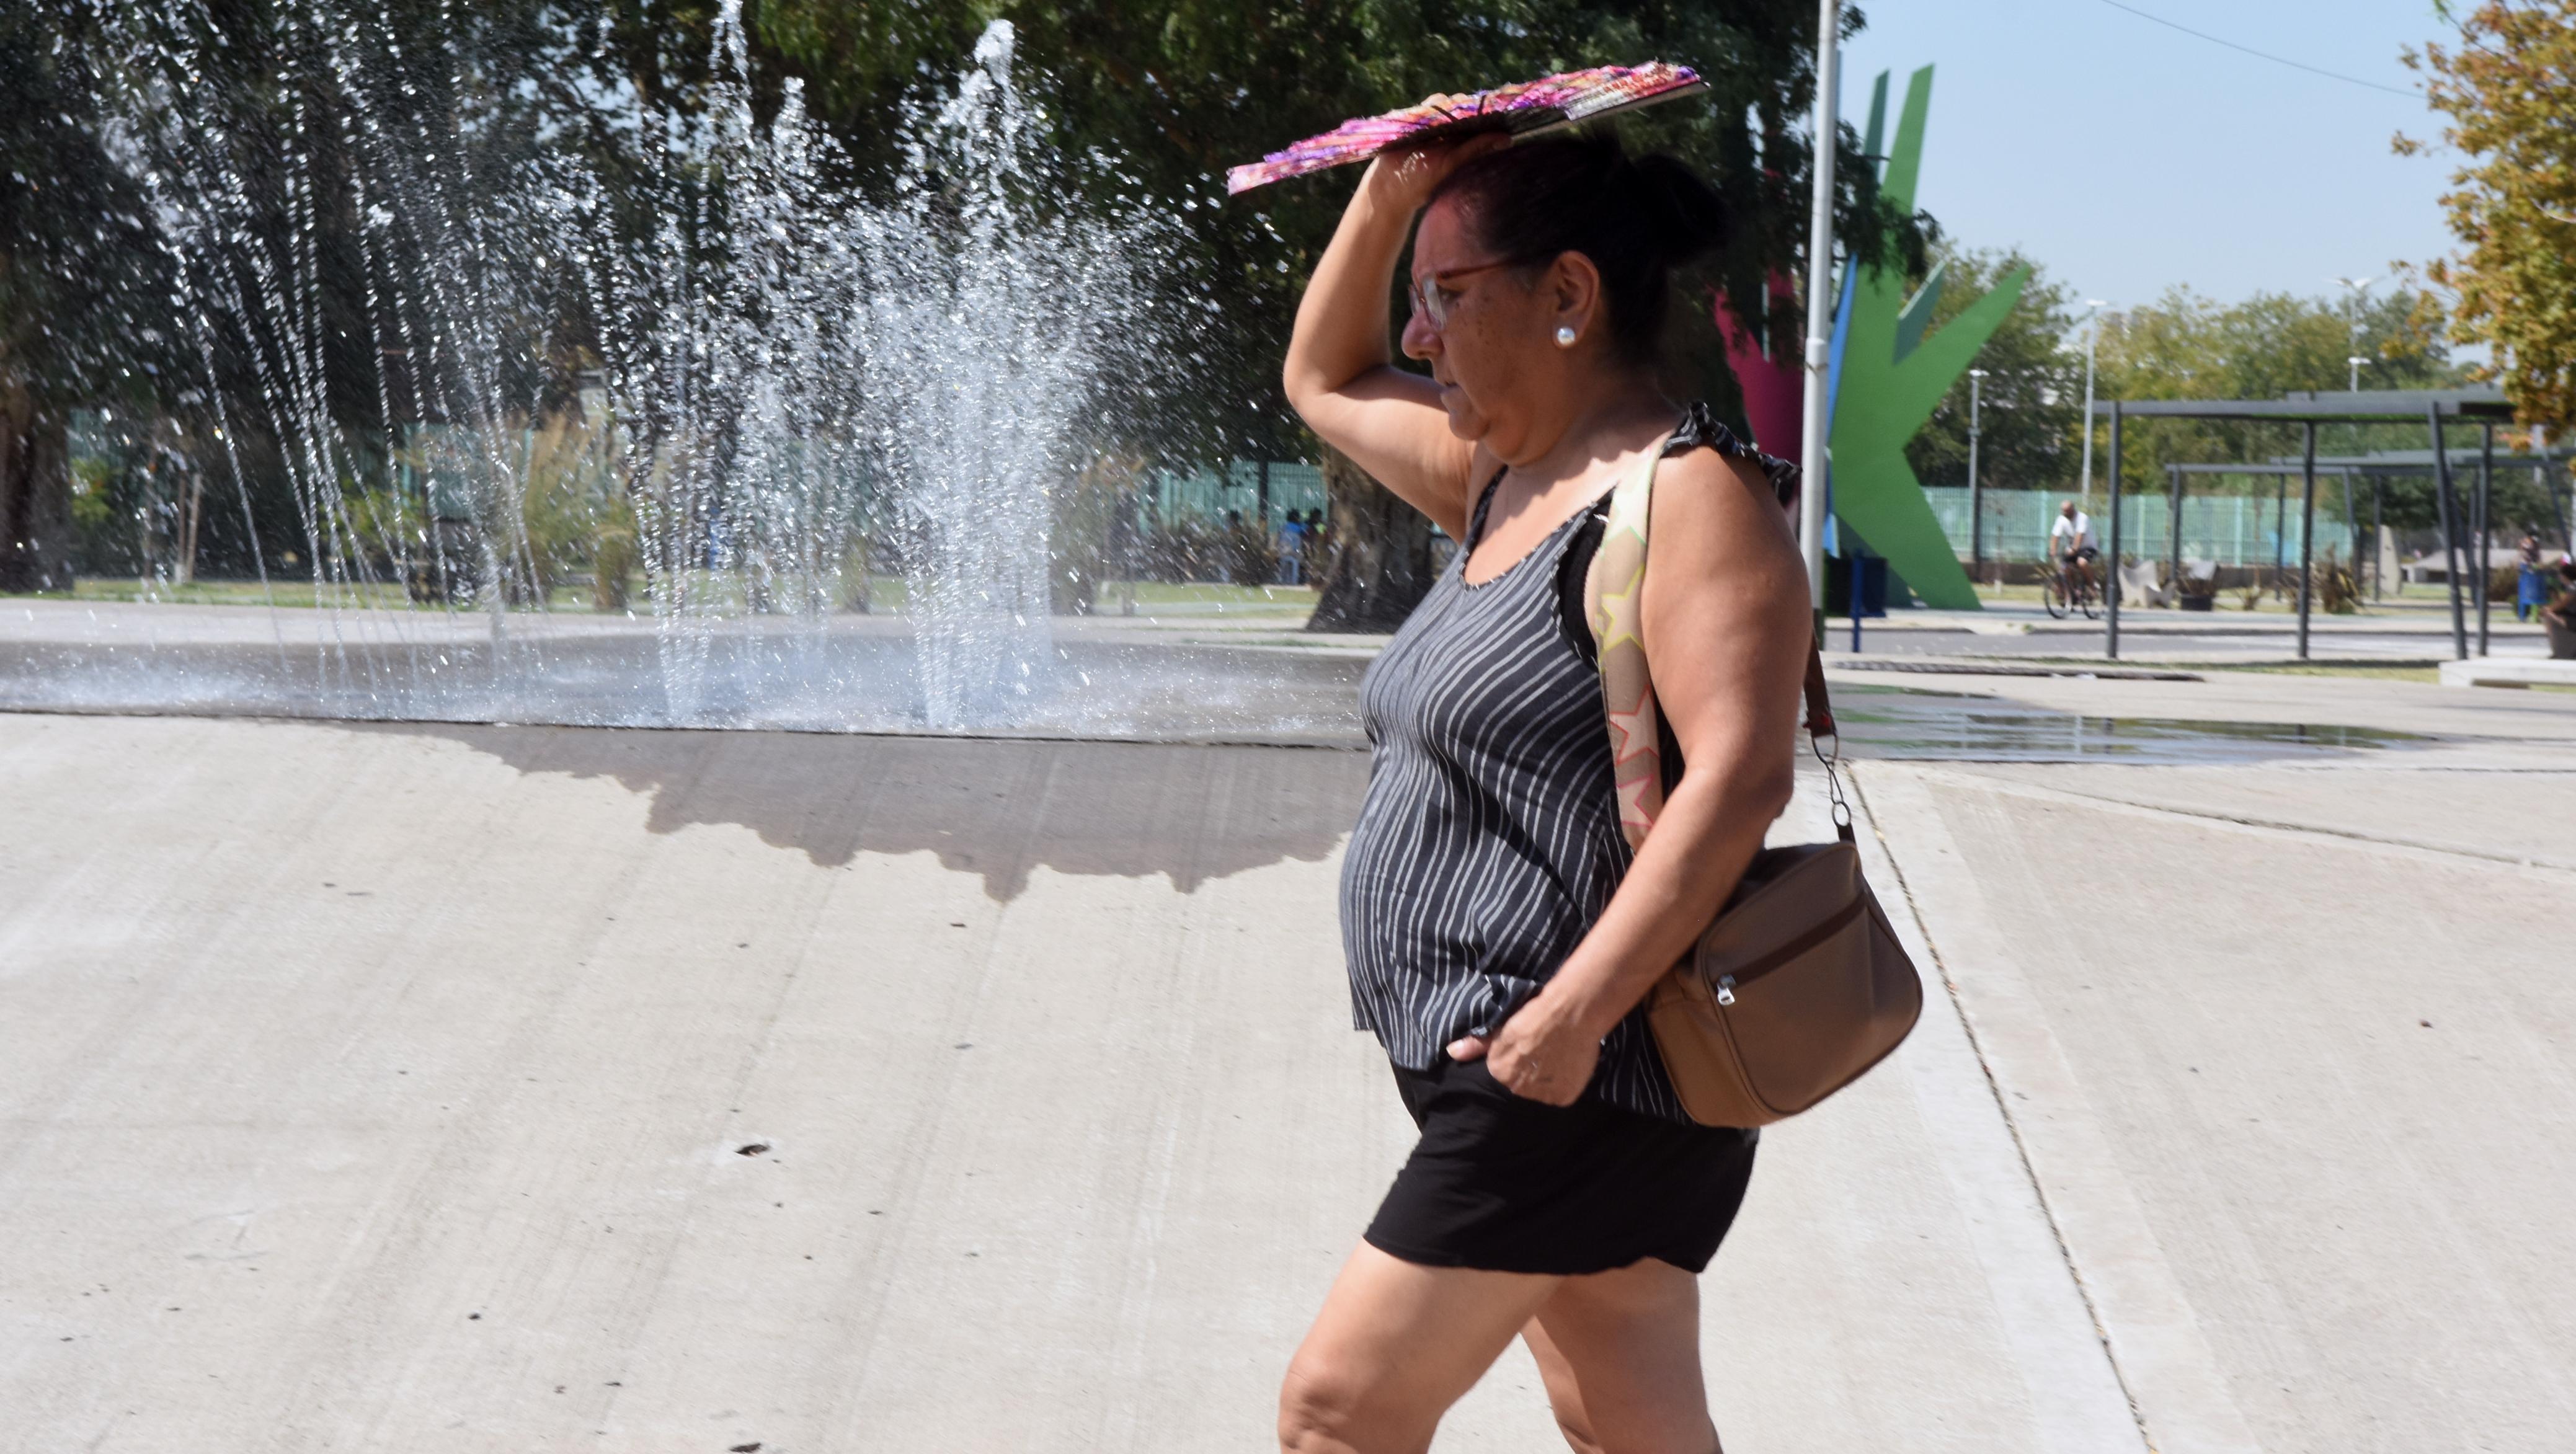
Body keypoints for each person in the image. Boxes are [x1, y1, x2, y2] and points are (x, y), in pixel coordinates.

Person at [1276, 130, 1810, 1454]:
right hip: (1533, 1060)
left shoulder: (1686, 497)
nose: (1420, 329)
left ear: (1567, 295)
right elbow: (1323, 374)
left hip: (1579, 1062)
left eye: (1448, 292)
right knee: (1626, 1415)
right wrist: (1393, 189)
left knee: (1340, 1412)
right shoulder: (1505, 480)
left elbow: (1739, 777)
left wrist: (1569, 1018)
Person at [2051, 500, 2099, 598]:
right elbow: (2055, 536)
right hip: (2072, 549)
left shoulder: (2082, 518)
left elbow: (2079, 535)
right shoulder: (2061, 520)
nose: (2065, 513)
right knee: (2064, 568)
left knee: (2082, 562)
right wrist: (2053, 550)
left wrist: (2075, 548)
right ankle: (2070, 594)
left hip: (2088, 547)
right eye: (2063, 511)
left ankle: (2092, 586)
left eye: (2067, 511)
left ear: (2073, 509)